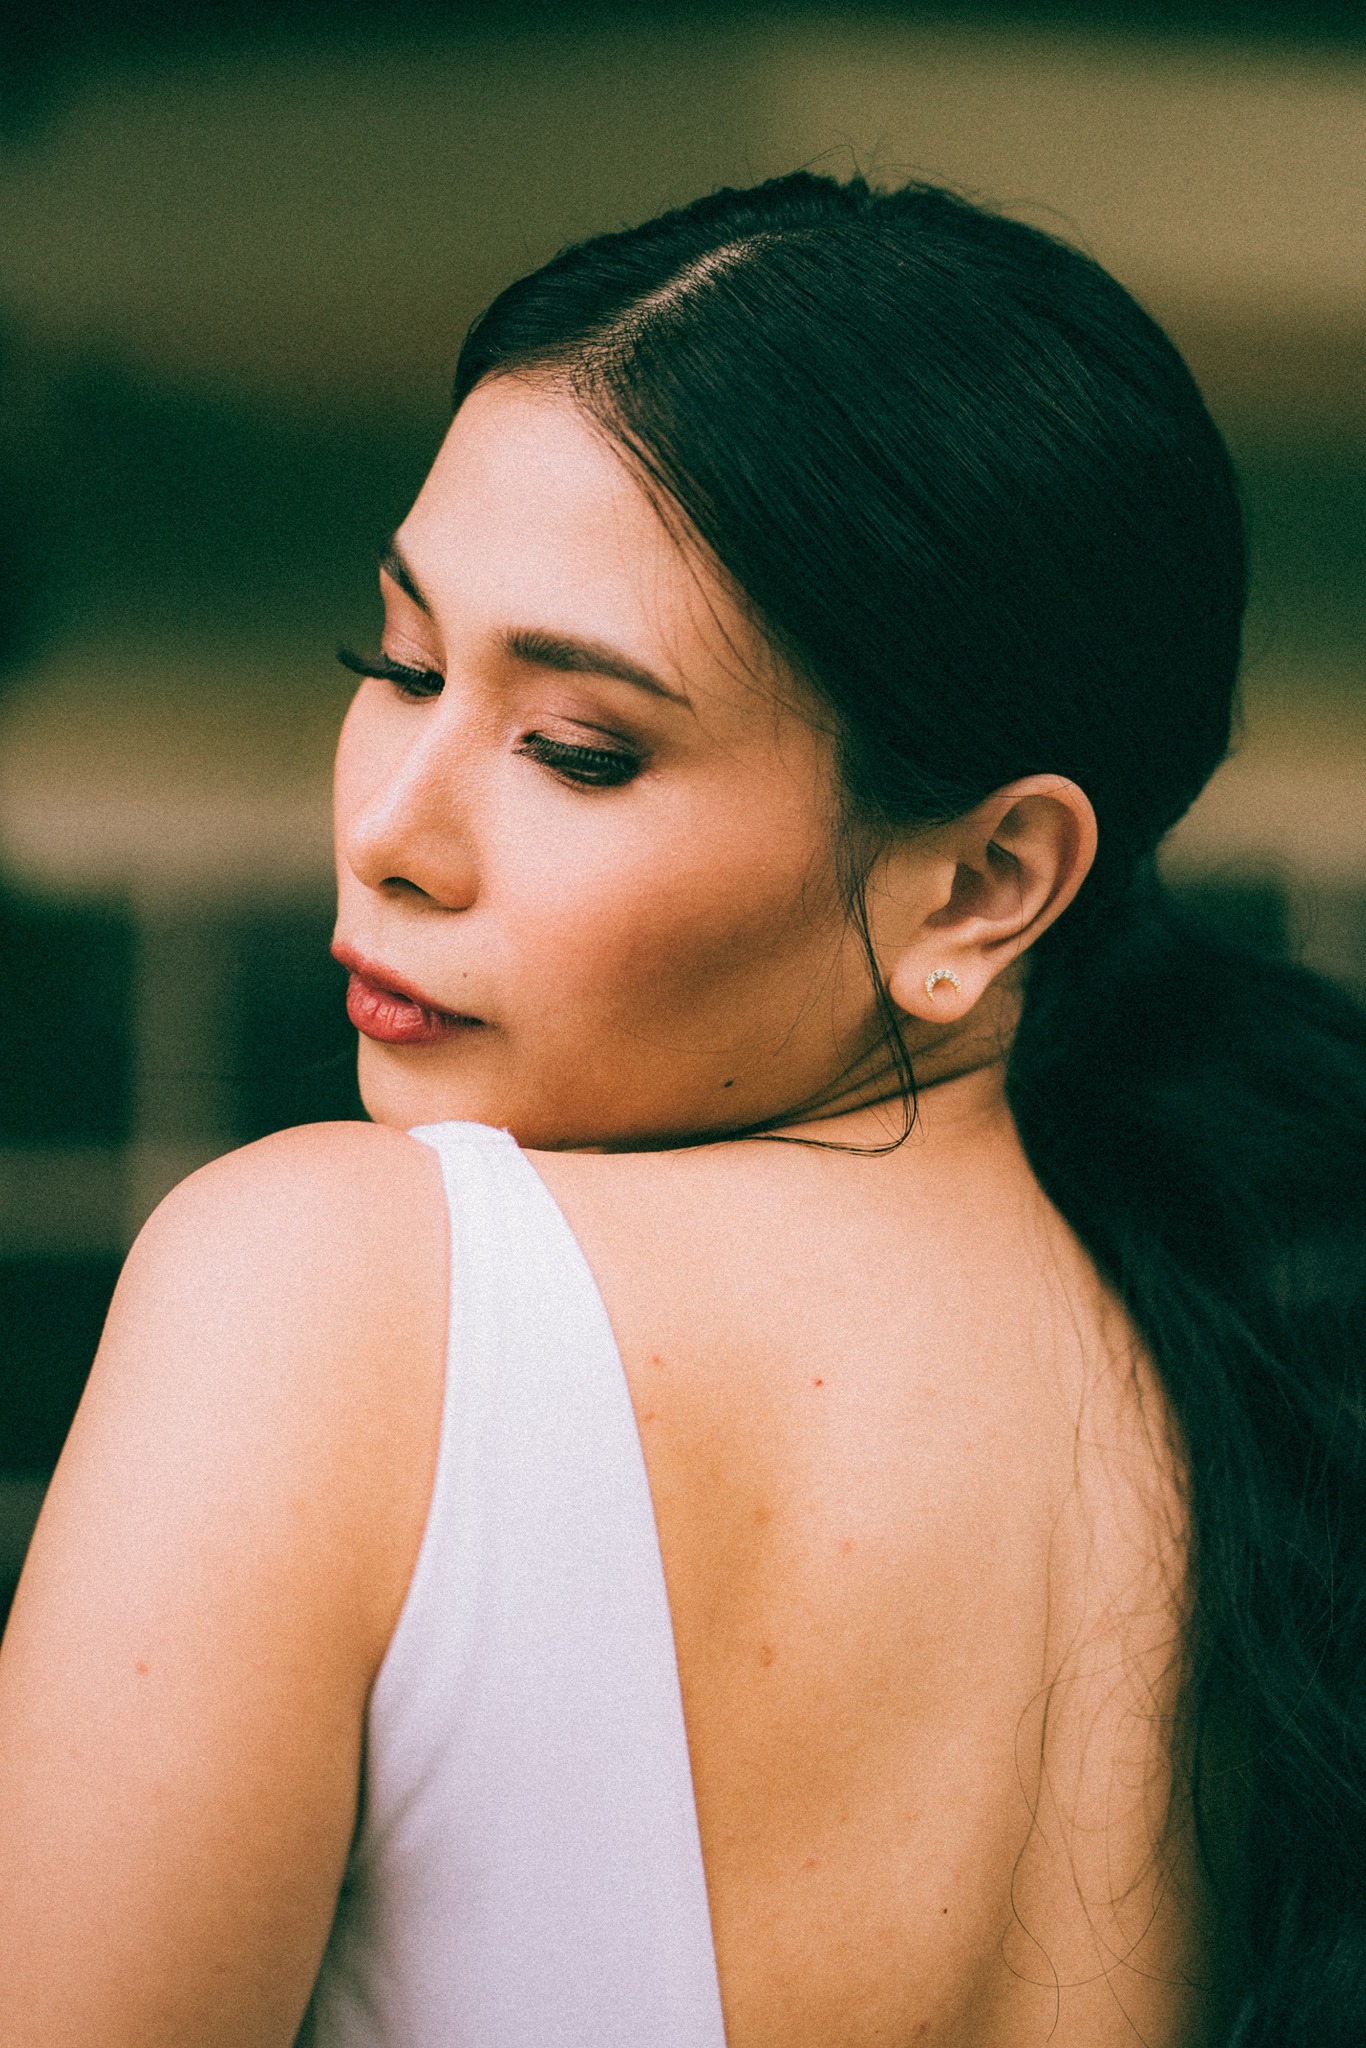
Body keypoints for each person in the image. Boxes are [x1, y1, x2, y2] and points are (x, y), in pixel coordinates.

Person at [0, 172, 1362, 2048]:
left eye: (579, 750)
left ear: (982, 885)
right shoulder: (1237, 1408)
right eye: (399, 663)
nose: (390, 829)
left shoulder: (338, 1293)